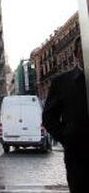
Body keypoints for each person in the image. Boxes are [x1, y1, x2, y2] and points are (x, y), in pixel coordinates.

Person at [43, 37, 89, 193]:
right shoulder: (61, 82)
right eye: (84, 50)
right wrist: (67, 138)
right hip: (78, 158)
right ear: (76, 55)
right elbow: (49, 117)